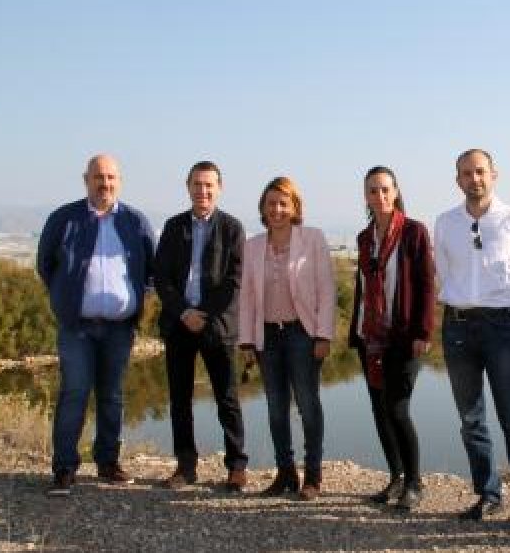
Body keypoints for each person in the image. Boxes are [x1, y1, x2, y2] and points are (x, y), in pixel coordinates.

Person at [434, 148, 510, 535]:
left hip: (499, 326)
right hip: (457, 327)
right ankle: (488, 493)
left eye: (480, 171)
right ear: (457, 180)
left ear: (493, 175)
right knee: (471, 418)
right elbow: (442, 273)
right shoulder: (445, 222)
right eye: (466, 173)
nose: (474, 178)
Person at [36, 154, 156, 496]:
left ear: (120, 181)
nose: (105, 184)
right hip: (77, 327)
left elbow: (150, 268)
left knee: (112, 396)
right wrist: (66, 297)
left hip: (120, 328)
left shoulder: (135, 221)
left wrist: (137, 300)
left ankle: (107, 462)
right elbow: (45, 265)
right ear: (86, 180)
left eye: (111, 178)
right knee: (74, 392)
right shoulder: (64, 219)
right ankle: (64, 468)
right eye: (99, 177)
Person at [238, 176, 336, 501]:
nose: (277, 209)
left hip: (302, 333)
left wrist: (324, 334)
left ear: (294, 207)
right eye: (271, 203)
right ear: (263, 208)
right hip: (267, 336)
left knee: (308, 405)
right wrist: (247, 341)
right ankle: (285, 472)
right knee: (275, 408)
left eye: (283, 203)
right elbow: (247, 297)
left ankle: (313, 475)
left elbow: (326, 289)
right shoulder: (253, 246)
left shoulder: (313, 239)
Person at [154, 160, 248, 491]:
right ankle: (185, 466)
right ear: (188, 187)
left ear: (219, 188)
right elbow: (161, 277)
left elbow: (234, 280)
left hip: (217, 326)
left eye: (209, 185)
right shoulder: (173, 226)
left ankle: (236, 466)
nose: (202, 190)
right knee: (179, 399)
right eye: (197, 184)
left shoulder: (233, 228)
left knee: (227, 398)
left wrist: (202, 314)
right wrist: (184, 312)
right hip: (178, 324)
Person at [347, 166, 435, 511]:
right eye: (373, 190)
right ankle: (395, 477)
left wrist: (423, 331)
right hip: (369, 337)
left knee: (397, 409)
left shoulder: (414, 231)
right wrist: (356, 331)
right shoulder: (364, 237)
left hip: (403, 336)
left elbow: (426, 284)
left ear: (396, 192)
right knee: (379, 410)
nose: (380, 196)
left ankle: (414, 483)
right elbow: (362, 286)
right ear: (365, 196)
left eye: (385, 189)